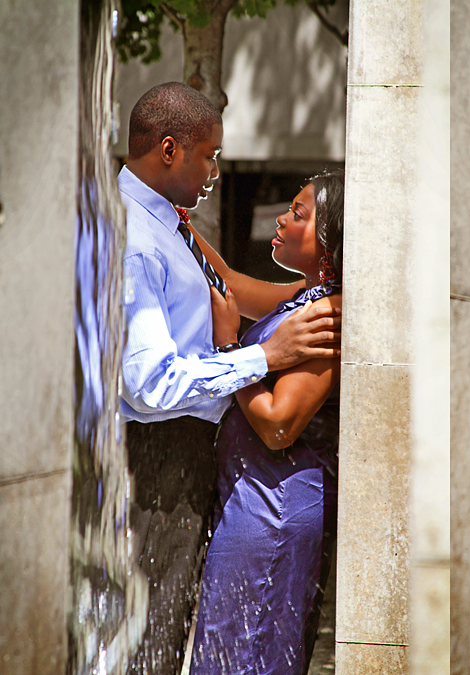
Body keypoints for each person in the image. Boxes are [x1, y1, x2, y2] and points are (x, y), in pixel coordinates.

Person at [119, 82, 340, 675]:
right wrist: (260, 352)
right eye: (209, 154)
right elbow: (151, 383)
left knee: (208, 641)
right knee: (160, 636)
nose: (216, 169)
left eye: (299, 212)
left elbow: (238, 293)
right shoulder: (143, 238)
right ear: (169, 150)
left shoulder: (171, 224)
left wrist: (332, 285)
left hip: (258, 495)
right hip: (169, 457)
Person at [189, 172, 344, 675]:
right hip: (254, 501)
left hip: (275, 511)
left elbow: (279, 424)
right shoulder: (306, 296)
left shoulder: (329, 314)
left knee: (247, 655)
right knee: (229, 649)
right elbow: (230, 284)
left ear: (328, 242)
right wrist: (176, 221)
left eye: (298, 214)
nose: (282, 217)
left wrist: (233, 349)